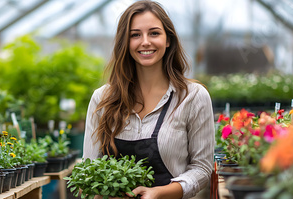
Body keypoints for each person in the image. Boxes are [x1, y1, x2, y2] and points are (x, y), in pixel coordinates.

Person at [83, 1, 215, 198]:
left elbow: (202, 168)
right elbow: (89, 167)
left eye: (154, 33)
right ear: (125, 43)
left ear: (168, 39)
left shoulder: (193, 96)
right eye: (135, 35)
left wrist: (160, 193)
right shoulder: (103, 98)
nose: (145, 42)